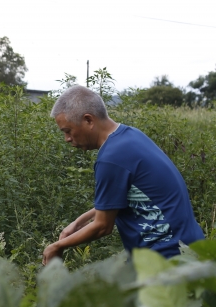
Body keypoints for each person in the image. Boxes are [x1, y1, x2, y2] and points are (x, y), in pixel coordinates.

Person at [42, 85, 204, 265]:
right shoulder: (130, 136)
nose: (67, 139)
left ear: (88, 120)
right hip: (190, 248)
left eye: (68, 131)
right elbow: (125, 197)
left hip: (167, 259)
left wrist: (57, 246)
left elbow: (103, 226)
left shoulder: (111, 158)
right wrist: (79, 221)